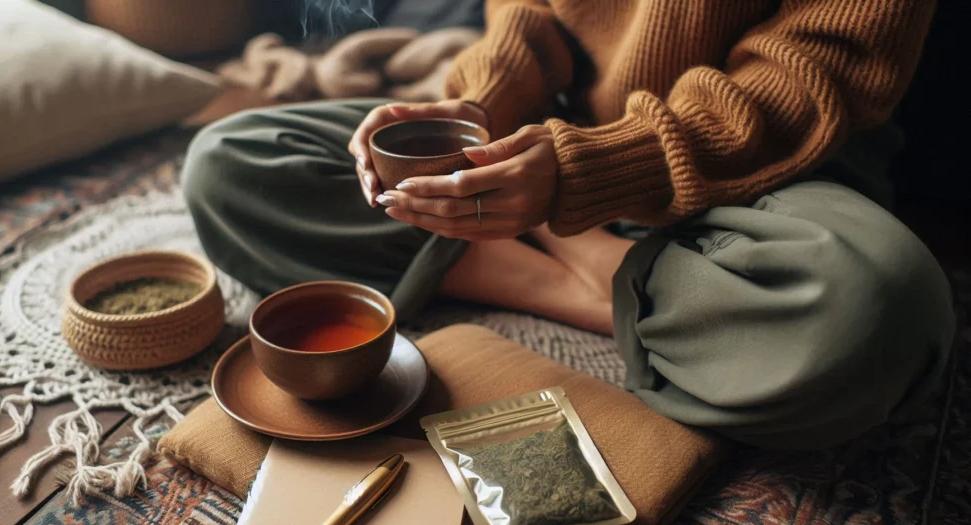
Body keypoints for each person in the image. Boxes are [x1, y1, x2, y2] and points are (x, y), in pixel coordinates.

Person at [182, 0, 954, 449]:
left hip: (771, 174)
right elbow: (530, 16)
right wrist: (481, 109)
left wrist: (579, 174)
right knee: (230, 164)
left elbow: (804, 84)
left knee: (877, 312)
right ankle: (606, 277)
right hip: (557, 135)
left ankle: (576, 251)